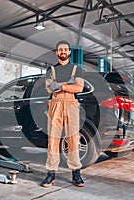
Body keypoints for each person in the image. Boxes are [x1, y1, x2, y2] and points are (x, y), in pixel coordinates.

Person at [41, 40, 85, 187]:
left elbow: (79, 88)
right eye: (60, 50)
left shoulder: (77, 69)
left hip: (71, 104)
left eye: (66, 49)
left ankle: (76, 172)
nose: (63, 52)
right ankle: (51, 173)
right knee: (53, 139)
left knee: (73, 138)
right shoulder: (51, 70)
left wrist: (60, 85)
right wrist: (68, 85)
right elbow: (49, 89)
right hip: (55, 105)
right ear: (56, 52)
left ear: (69, 52)